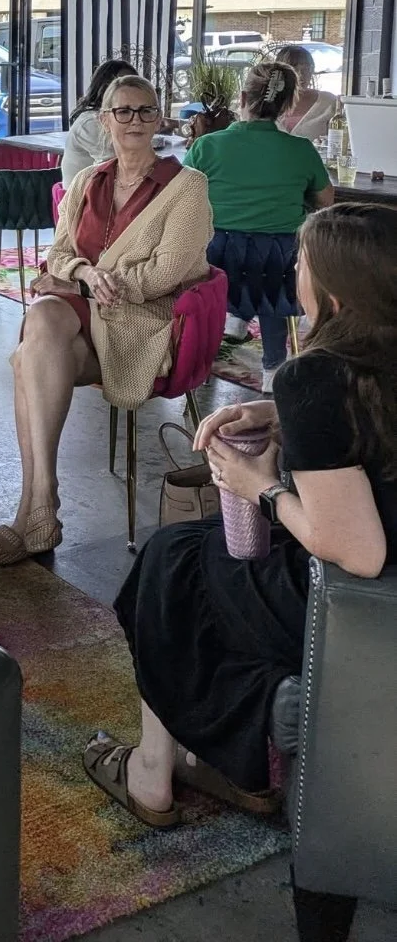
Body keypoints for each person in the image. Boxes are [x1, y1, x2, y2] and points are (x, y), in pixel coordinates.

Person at [84, 202, 397, 829]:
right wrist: (281, 422)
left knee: (170, 564)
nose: (294, 269)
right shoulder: (373, 361)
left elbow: (357, 551)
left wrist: (260, 486)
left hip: (354, 604)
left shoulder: (316, 375)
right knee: (196, 555)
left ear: (334, 288)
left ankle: (154, 771)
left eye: (303, 259)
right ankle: (237, 750)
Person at [0, 75, 212, 567]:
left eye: (145, 111)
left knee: (28, 357)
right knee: (42, 319)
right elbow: (58, 253)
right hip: (81, 312)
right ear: (104, 120)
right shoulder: (86, 181)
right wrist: (81, 272)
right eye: (122, 111)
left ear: (159, 118)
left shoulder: (187, 187)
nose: (134, 121)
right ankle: (41, 500)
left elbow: (167, 272)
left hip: (140, 319)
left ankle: (34, 508)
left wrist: (83, 284)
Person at [183, 60, 334, 391]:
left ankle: (226, 325)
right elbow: (326, 201)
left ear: (241, 98)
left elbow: (182, 198)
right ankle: (273, 369)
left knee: (242, 262)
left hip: (218, 260)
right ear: (286, 106)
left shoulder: (206, 146)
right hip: (279, 266)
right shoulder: (301, 150)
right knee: (275, 265)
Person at [61, 60, 140, 184]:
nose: (129, 91)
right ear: (104, 87)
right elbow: (120, 165)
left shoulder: (120, 115)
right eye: (121, 85)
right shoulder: (90, 122)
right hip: (82, 198)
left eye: (134, 84)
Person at [273, 44, 339, 142]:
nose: (301, 74)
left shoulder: (328, 102)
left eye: (307, 68)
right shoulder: (266, 103)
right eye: (294, 68)